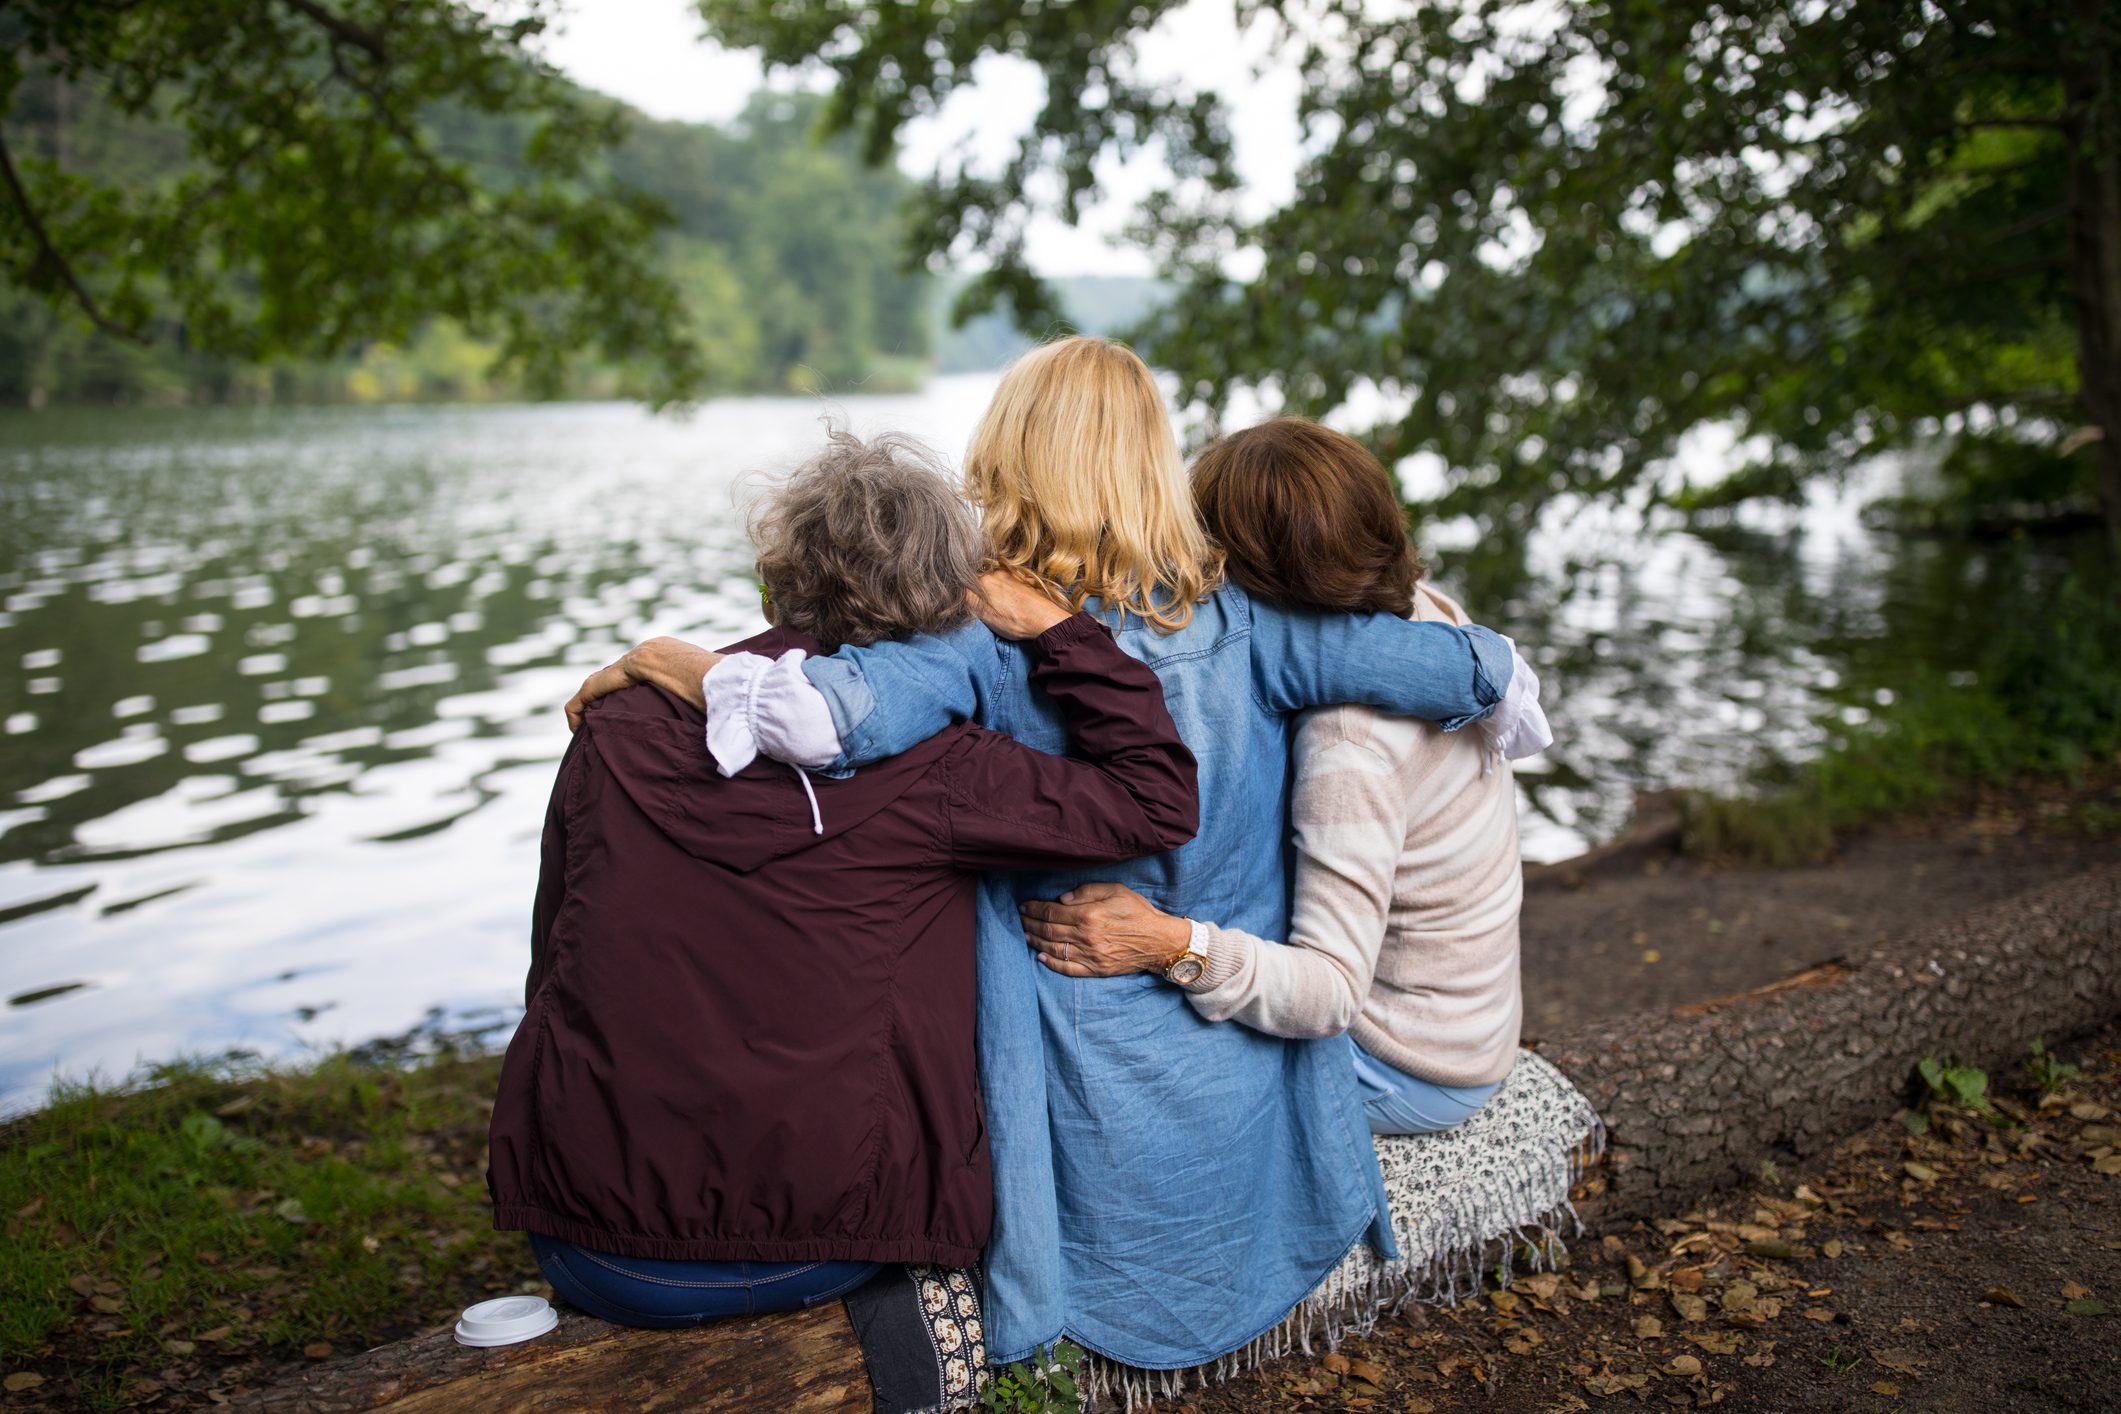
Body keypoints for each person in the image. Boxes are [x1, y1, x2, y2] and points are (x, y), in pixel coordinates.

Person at [578, 337, 1545, 1369]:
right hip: (1247, 1099)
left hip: (1085, 1118)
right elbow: (1480, 672)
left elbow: (817, 722)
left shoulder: (973, 634)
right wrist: (1482, 659)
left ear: (1008, 454)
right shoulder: (1250, 623)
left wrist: (670, 657)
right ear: (1153, 467)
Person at [487, 429, 1200, 1330]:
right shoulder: (948, 770)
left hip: (588, 1239)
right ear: (944, 602)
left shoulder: (615, 722)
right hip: (829, 1238)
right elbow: (1157, 796)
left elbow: (554, 956)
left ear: (776, 574)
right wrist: (1063, 631)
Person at [1018, 418, 1543, 1137]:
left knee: (1115, 1065)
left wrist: (1164, 942)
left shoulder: (1350, 745)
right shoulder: (1427, 623)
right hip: (1467, 1021)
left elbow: (1328, 993)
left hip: (1404, 1062)